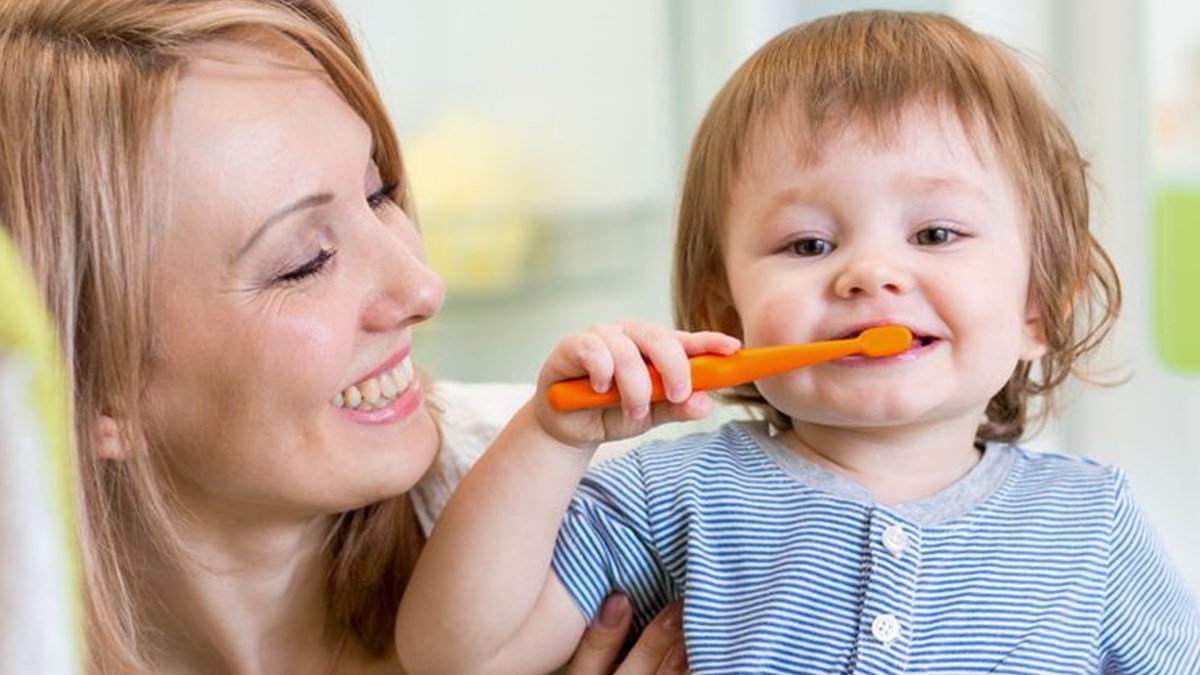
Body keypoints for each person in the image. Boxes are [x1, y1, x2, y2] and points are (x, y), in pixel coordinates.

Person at [396, 10, 1200, 674]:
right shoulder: (670, 495)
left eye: (936, 230)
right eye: (809, 245)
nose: (871, 273)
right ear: (728, 314)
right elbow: (459, 657)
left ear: (1037, 307)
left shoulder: (1092, 524)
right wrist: (549, 437)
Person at [0, 0, 688, 673]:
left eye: (380, 192)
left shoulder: (591, 523)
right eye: (306, 262)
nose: (423, 288)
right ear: (89, 390)